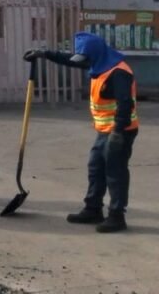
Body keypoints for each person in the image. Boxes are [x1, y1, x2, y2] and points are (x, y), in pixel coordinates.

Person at [25, 33, 138, 233]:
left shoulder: (119, 73)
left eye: (86, 58)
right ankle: (93, 209)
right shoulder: (98, 63)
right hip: (104, 131)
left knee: (115, 173)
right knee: (96, 168)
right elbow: (70, 59)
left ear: (95, 54)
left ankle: (117, 216)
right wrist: (45, 54)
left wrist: (118, 132)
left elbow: (125, 104)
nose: (84, 62)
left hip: (120, 131)